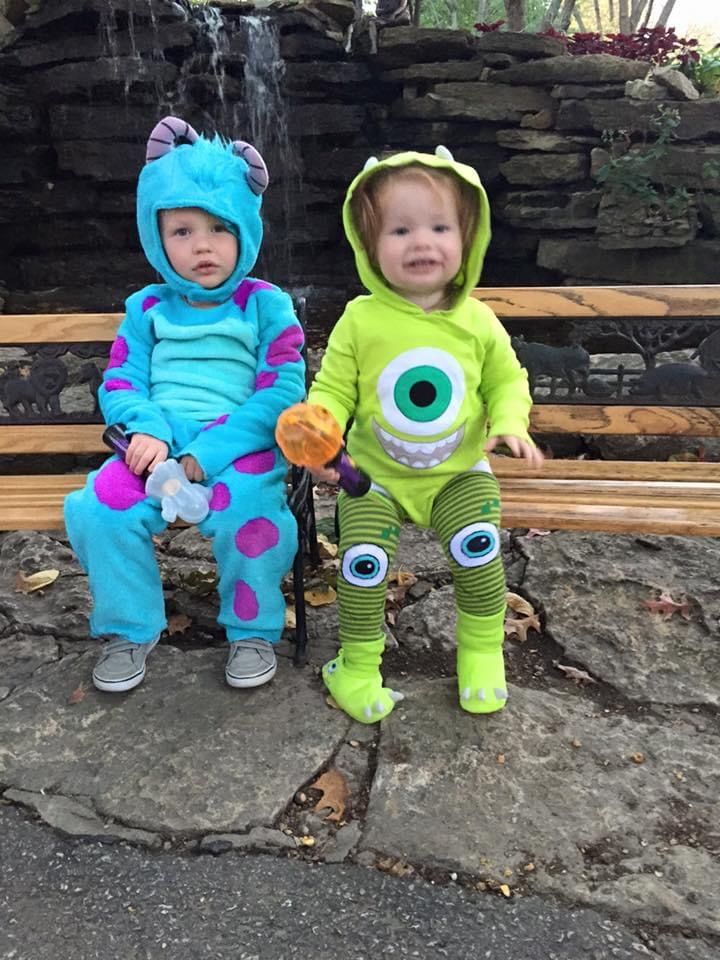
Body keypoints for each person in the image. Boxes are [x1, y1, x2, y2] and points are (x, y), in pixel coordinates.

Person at [64, 116, 305, 694]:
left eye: (221, 228)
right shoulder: (147, 307)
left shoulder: (266, 305)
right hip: (156, 442)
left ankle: (251, 629)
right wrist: (145, 431)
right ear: (157, 236)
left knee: (254, 520)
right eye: (182, 231)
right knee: (97, 508)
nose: (202, 245)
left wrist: (204, 452)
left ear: (245, 232)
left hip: (236, 443)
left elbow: (281, 392)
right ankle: (129, 626)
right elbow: (120, 380)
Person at [307, 146, 543, 724]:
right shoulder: (360, 320)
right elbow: (333, 390)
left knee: (478, 551)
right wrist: (322, 432)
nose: (422, 242)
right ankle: (357, 664)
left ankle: (483, 654)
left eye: (440, 227)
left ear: (468, 240)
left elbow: (508, 380)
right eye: (400, 229)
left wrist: (511, 424)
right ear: (369, 245)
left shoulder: (477, 320)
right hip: (373, 480)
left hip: (457, 474)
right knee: (362, 561)